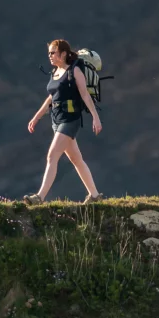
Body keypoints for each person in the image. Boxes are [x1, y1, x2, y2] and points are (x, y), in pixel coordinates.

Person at [24, 39, 103, 205]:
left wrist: (95, 117)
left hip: (70, 119)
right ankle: (95, 196)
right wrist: (36, 117)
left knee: (52, 156)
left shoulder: (75, 71)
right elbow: (52, 98)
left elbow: (84, 94)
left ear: (64, 53)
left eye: (53, 52)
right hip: (57, 120)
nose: (50, 56)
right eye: (49, 53)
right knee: (76, 159)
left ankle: (39, 197)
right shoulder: (56, 72)